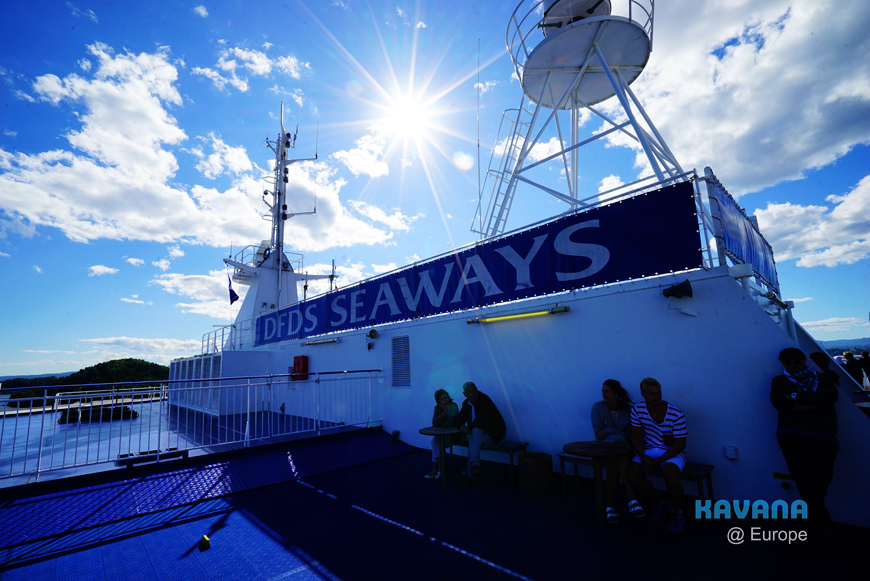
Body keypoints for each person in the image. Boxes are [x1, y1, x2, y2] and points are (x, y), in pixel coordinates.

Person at [771, 347, 838, 538]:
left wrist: (793, 397)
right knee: (803, 480)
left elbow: (830, 398)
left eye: (797, 361)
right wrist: (815, 404)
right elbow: (779, 403)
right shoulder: (779, 381)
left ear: (804, 360)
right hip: (791, 436)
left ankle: (805, 525)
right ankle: (825, 528)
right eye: (788, 362)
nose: (793, 365)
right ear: (783, 363)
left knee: (820, 481)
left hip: (822, 436)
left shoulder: (823, 377)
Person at [627, 377, 688, 532]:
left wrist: (660, 459)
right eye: (652, 394)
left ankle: (678, 512)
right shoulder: (637, 410)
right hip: (649, 449)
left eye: (659, 392)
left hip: (672, 450)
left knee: (670, 474)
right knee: (632, 474)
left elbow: (680, 444)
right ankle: (660, 502)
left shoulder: (675, 412)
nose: (657, 396)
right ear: (643, 394)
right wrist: (643, 456)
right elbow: (635, 436)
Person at [590, 379, 640, 523]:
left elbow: (631, 434)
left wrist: (608, 431)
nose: (603, 394)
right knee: (616, 457)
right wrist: (615, 434)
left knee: (615, 460)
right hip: (605, 448)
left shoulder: (629, 409)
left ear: (616, 393)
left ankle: (609, 506)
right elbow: (598, 433)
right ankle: (632, 499)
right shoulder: (598, 407)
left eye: (607, 391)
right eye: (602, 391)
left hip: (624, 448)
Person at [455, 381, 506, 487]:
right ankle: (475, 467)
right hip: (480, 437)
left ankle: (472, 476)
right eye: (469, 392)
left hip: (495, 436)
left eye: (474, 391)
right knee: (475, 435)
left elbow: (482, 420)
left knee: (473, 438)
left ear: (477, 389)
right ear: (465, 394)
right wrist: (462, 425)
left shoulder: (484, 400)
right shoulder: (466, 404)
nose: (473, 394)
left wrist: (468, 428)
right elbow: (459, 418)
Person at [425, 389, 460, 479]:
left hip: (453, 435)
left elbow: (450, 423)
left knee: (436, 443)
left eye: (446, 398)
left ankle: (437, 469)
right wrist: (443, 414)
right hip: (442, 435)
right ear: (438, 401)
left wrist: (440, 421)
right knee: (434, 441)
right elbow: (434, 423)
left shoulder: (453, 406)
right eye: (442, 399)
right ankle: (439, 468)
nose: (445, 401)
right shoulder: (437, 408)